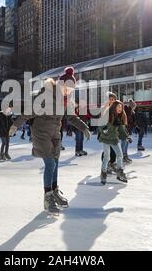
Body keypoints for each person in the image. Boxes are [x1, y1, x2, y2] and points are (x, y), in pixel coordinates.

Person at [9, 68, 91, 215]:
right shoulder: (46, 96)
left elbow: (72, 117)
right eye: (67, 87)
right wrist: (16, 124)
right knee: (50, 163)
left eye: (71, 89)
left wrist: (84, 128)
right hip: (40, 133)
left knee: (56, 162)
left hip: (55, 134)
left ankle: (54, 191)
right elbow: (29, 111)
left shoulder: (66, 101)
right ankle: (47, 197)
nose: (69, 91)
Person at [99, 100, 129, 185]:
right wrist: (105, 129)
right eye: (118, 106)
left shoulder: (120, 117)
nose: (120, 108)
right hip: (106, 139)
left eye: (121, 107)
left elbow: (121, 129)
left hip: (114, 139)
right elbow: (100, 125)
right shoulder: (107, 114)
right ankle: (103, 173)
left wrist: (126, 137)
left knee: (120, 155)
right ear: (114, 107)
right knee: (107, 157)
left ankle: (120, 172)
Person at [122, 99, 136, 164]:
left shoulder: (130, 111)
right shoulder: (127, 110)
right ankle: (123, 156)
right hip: (124, 129)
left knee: (126, 143)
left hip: (128, 129)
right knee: (124, 143)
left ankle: (125, 155)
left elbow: (130, 121)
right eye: (133, 107)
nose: (134, 108)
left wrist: (134, 126)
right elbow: (126, 121)